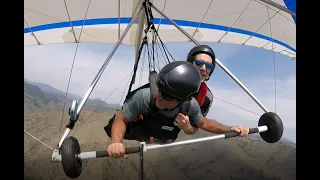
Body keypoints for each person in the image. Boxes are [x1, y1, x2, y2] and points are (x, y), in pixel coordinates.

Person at [106, 61, 249, 158]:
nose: (159, 99)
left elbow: (204, 123)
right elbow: (121, 118)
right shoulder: (145, 96)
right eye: (160, 92)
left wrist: (230, 129)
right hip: (141, 131)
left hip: (161, 137)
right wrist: (116, 142)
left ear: (182, 100)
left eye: (167, 97)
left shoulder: (189, 105)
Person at [185, 44, 249, 136]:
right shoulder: (171, 79)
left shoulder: (207, 96)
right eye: (199, 63)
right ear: (191, 64)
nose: (203, 68)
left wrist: (230, 129)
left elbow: (201, 124)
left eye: (208, 66)